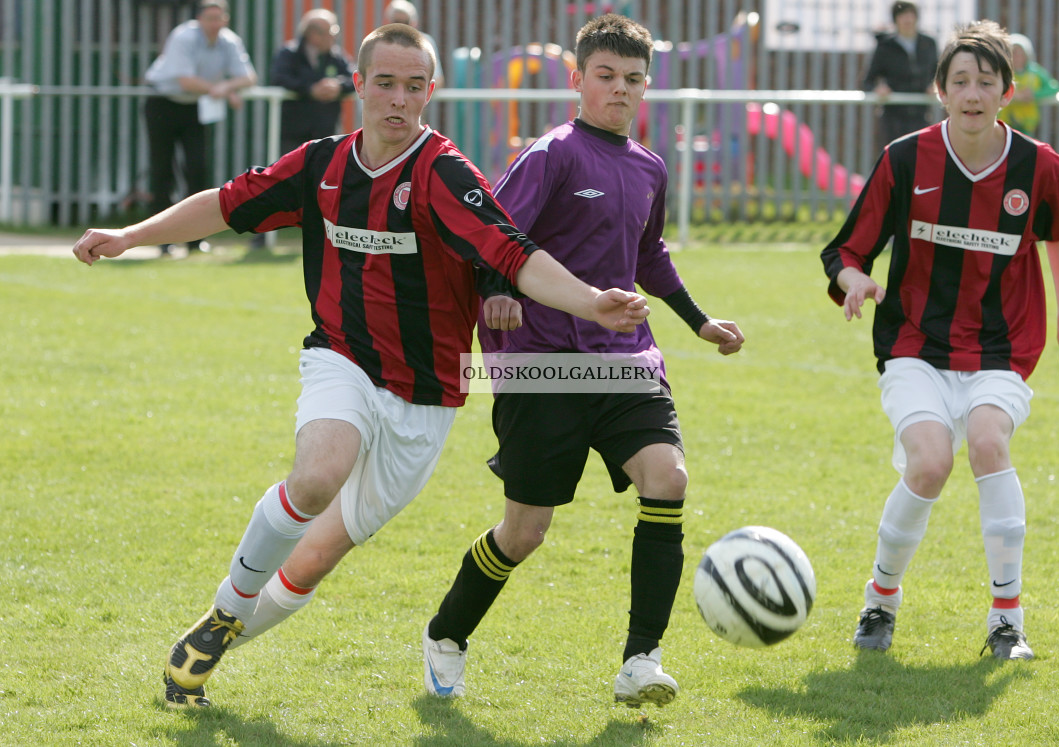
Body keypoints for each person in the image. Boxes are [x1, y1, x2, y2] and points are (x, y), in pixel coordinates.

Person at [73, 23, 650, 710]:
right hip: (340, 358)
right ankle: (227, 609)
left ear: (431, 92)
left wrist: (591, 302)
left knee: (315, 556)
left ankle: (207, 650)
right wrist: (130, 235)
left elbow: (516, 256)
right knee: (317, 474)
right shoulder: (321, 165)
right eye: (386, 84)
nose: (398, 101)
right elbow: (224, 205)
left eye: (414, 87)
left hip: (428, 397)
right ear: (360, 84)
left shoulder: (444, 174)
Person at [421, 14, 744, 708]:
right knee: (525, 530)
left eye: (633, 79)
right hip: (543, 364)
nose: (619, 90)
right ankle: (447, 633)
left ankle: (641, 659)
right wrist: (499, 292)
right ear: (577, 80)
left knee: (668, 476)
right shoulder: (554, 154)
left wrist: (699, 321)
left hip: (627, 358)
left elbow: (648, 256)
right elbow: (496, 233)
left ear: (645, 87)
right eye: (606, 76)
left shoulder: (651, 167)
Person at [822, 20, 1059, 661]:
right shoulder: (905, 159)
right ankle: (879, 602)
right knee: (930, 463)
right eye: (961, 81)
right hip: (915, 342)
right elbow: (845, 249)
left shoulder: (1040, 166)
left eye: (986, 82)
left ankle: (1008, 620)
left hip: (1003, 344)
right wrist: (855, 279)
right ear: (940, 91)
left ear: (1008, 92)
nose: (973, 93)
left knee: (990, 443)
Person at [144, 0, 256, 257]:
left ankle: (195, 239)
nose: (215, 23)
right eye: (209, 18)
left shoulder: (229, 40)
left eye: (219, 18)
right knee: (162, 170)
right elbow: (185, 81)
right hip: (163, 104)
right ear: (199, 20)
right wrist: (219, 90)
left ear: (225, 19)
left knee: (198, 167)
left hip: (195, 108)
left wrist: (225, 89)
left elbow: (249, 77)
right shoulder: (183, 36)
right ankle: (163, 241)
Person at [251, 9, 356, 250]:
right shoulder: (289, 53)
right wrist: (311, 88)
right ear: (312, 34)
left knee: (328, 183)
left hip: (326, 133)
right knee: (280, 181)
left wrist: (337, 86)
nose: (334, 37)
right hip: (293, 132)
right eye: (331, 32)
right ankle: (263, 235)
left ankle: (331, 239)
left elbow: (354, 78)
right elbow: (279, 78)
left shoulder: (336, 56)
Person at [863, 1, 939, 151]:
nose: (908, 20)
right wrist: (879, 89)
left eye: (911, 16)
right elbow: (868, 81)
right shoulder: (885, 46)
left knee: (920, 159)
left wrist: (935, 85)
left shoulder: (929, 43)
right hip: (893, 117)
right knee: (894, 159)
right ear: (895, 20)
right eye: (903, 16)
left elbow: (938, 73)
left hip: (921, 115)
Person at [998, 33, 1059, 137]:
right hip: (1004, 123)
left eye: (1020, 53)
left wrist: (1034, 95)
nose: (1017, 57)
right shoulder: (1002, 72)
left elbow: (1054, 87)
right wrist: (1011, 95)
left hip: (1026, 124)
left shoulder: (1035, 72)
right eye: (1013, 53)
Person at [385, 0, 444, 89]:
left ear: (413, 23)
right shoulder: (379, 42)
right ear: (389, 22)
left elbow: (437, 80)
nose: (401, 27)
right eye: (396, 22)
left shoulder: (425, 42)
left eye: (405, 22)